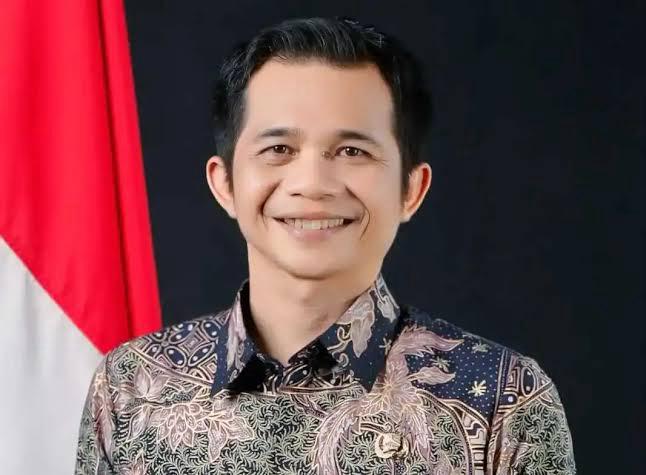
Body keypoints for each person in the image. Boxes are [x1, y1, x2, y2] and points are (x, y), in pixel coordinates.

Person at [75, 16, 576, 474]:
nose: (312, 184)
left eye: (352, 150)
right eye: (279, 149)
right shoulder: (130, 388)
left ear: (411, 189)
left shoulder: (503, 400)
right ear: (224, 183)